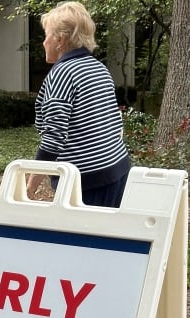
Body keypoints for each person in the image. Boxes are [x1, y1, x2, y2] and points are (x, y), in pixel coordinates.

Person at [27, 1, 130, 207]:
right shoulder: (98, 68)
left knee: (80, 238)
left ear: (60, 39)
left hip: (86, 181)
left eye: (46, 35)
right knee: (108, 236)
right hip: (118, 168)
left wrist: (29, 187)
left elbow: (53, 138)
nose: (44, 42)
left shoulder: (62, 73)